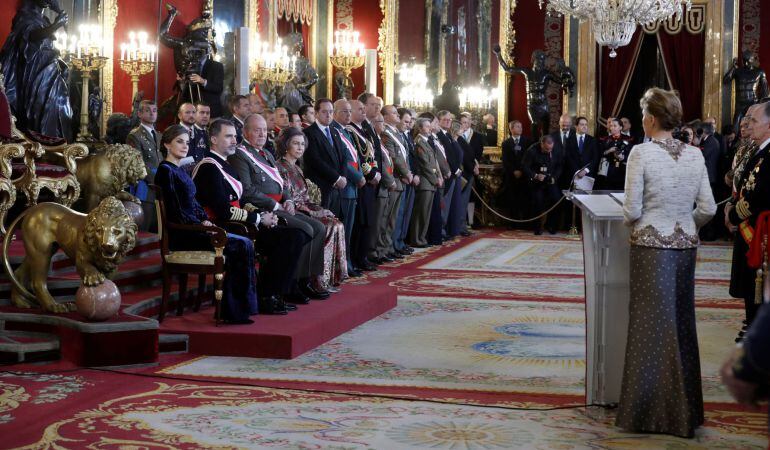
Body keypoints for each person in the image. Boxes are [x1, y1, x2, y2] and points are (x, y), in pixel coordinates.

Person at [617, 87, 716, 438]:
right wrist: (686, 223)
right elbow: (708, 208)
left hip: (649, 247)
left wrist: (641, 222)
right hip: (685, 247)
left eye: (644, 113)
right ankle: (685, 412)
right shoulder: (695, 155)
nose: (643, 119)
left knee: (649, 330)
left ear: (652, 119)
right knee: (680, 324)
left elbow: (631, 210)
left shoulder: (641, 153)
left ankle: (648, 415)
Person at [193, 118, 308, 314]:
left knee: (295, 235)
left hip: (239, 224)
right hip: (221, 228)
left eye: (234, 136)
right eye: (228, 136)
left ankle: (271, 292)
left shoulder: (226, 165)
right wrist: (257, 219)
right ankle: (266, 296)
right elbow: (223, 210)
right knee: (290, 237)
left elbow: (240, 201)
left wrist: (262, 215)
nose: (234, 140)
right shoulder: (209, 167)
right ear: (213, 139)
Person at [153, 124, 258, 324]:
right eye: (179, 142)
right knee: (240, 244)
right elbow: (178, 211)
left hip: (196, 228)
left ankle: (240, 309)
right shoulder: (166, 171)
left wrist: (204, 220)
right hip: (184, 235)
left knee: (244, 242)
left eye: (187, 142)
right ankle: (232, 311)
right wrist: (202, 226)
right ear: (167, 144)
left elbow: (194, 203)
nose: (185, 146)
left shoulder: (179, 169)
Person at [229, 113, 329, 300]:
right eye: (256, 130)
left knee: (319, 227)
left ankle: (303, 280)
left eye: (264, 130)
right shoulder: (240, 155)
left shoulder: (266, 153)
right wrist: (275, 204)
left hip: (282, 205)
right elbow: (248, 191)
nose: (262, 134)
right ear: (245, 132)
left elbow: (281, 183)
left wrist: (289, 200)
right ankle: (289, 286)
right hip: (264, 209)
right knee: (306, 229)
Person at [276, 127, 348, 289]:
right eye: (296, 143)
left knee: (336, 223)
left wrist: (321, 209)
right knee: (328, 226)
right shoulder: (280, 167)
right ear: (286, 145)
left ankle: (327, 278)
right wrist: (316, 212)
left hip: (305, 209)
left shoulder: (297, 167)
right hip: (293, 212)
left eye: (302, 144)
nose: (300, 147)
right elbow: (291, 200)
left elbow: (306, 198)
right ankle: (314, 280)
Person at [725, 101, 770, 341]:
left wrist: (733, 214)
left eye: (754, 120)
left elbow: (758, 195)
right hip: (749, 228)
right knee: (751, 285)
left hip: (758, 231)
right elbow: (744, 185)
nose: (748, 124)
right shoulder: (759, 151)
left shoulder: (767, 154)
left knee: (758, 286)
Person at [0, 0, 72, 139]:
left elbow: (48, 43)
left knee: (60, 103)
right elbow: (32, 36)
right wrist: (56, 24)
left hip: (50, 67)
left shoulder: (43, 19)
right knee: (41, 106)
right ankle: (42, 142)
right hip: (35, 71)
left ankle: (56, 142)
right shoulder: (24, 16)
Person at [330, 99, 365, 277]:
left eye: (350, 112)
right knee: (343, 230)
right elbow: (342, 160)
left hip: (352, 188)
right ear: (335, 112)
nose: (348, 115)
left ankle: (348, 263)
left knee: (349, 230)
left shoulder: (347, 131)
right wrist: (358, 177)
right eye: (344, 111)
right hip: (343, 188)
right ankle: (343, 266)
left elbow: (354, 157)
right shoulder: (334, 131)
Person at [302, 98, 347, 218]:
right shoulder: (308, 133)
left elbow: (343, 156)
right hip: (320, 188)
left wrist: (343, 177)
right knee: (325, 224)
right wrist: (336, 178)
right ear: (316, 113)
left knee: (338, 223)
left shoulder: (335, 132)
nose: (328, 115)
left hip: (338, 188)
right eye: (324, 112)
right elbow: (315, 160)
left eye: (331, 112)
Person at [126, 100, 161, 231]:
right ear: (139, 114)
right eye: (148, 110)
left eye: (154, 110)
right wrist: (157, 180)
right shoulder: (135, 135)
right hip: (146, 186)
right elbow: (138, 163)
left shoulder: (158, 135)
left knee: (158, 228)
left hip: (158, 185)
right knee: (144, 228)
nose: (152, 114)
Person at [371, 110, 399, 263]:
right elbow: (381, 164)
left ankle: (382, 250)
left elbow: (388, 162)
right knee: (379, 221)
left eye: (382, 122)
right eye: (380, 122)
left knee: (387, 220)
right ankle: (376, 251)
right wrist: (390, 181)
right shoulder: (376, 140)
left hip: (387, 185)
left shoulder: (380, 140)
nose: (383, 125)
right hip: (382, 185)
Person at [408, 117, 440, 247]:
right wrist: (435, 179)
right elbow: (425, 164)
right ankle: (416, 239)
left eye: (429, 126)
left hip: (430, 182)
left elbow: (432, 162)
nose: (430, 128)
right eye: (426, 126)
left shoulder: (426, 141)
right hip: (425, 182)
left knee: (426, 213)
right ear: (420, 128)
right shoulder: (419, 142)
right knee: (420, 213)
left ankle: (422, 238)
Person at [522, 135, 562, 235]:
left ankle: (551, 225)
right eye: (546, 149)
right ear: (541, 144)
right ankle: (537, 227)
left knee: (556, 199)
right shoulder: (532, 150)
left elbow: (559, 166)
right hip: (536, 181)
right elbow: (525, 166)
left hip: (550, 180)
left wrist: (554, 177)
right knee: (538, 202)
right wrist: (535, 175)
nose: (549, 151)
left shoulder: (556, 149)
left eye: (550, 149)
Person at [501, 120, 531, 222]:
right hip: (511, 176)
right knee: (512, 198)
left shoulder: (527, 141)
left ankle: (524, 221)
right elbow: (505, 160)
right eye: (518, 127)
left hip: (524, 175)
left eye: (521, 126)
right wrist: (514, 171)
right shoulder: (506, 143)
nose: (520, 128)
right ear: (511, 129)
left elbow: (528, 159)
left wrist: (522, 170)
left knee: (524, 198)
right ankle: (513, 221)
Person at [596, 118, 632, 190]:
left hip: (622, 173)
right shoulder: (605, 139)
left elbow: (632, 155)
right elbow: (598, 154)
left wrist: (623, 157)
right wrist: (609, 151)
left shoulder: (628, 139)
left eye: (615, 126)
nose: (612, 128)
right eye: (611, 126)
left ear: (620, 127)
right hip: (607, 173)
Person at [564, 116, 599, 187]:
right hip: (572, 174)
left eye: (586, 124)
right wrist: (577, 171)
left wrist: (586, 170)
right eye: (582, 124)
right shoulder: (568, 140)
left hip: (588, 175)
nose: (584, 126)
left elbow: (596, 158)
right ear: (576, 126)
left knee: (585, 198)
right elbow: (567, 157)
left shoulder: (593, 140)